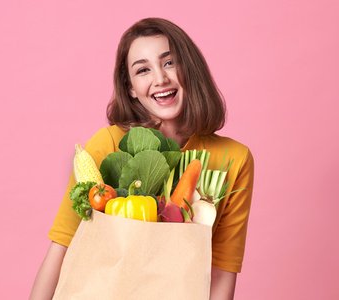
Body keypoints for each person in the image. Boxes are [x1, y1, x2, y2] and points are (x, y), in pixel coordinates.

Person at [29, 18, 254, 300]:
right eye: (143, 69)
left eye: (169, 62)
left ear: (190, 69)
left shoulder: (234, 159)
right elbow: (62, 246)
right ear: (131, 87)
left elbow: (221, 271)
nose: (160, 79)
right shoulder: (108, 144)